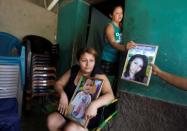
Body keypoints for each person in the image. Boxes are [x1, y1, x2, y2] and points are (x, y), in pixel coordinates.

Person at [47, 48, 114, 131]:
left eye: (91, 60)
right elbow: (58, 84)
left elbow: (110, 95)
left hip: (89, 114)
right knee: (52, 121)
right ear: (78, 61)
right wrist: (62, 94)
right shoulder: (74, 70)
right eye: (84, 60)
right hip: (70, 109)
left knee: (70, 129)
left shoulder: (98, 75)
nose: (88, 64)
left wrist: (94, 105)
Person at [101, 4, 136, 76]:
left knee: (113, 81)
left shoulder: (121, 26)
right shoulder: (110, 27)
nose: (120, 15)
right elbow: (113, 42)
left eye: (121, 13)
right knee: (105, 82)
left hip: (117, 60)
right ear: (111, 15)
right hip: (107, 60)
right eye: (117, 13)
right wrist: (125, 47)